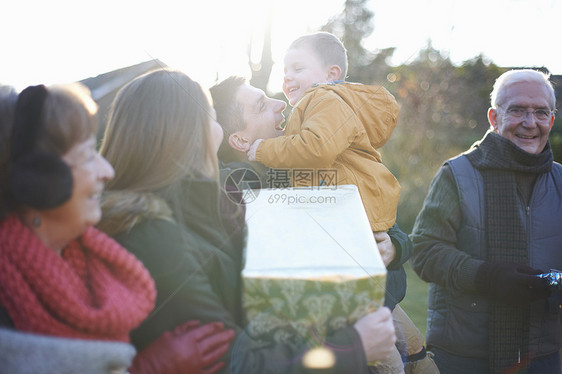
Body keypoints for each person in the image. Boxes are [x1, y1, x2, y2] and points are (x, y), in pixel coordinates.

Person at [98, 67, 397, 374]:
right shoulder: (159, 236)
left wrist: (395, 244)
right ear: (187, 132)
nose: (281, 104)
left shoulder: (197, 209)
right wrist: (352, 347)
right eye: (211, 118)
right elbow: (235, 362)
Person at [211, 76, 438, 374]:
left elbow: (371, 206)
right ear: (240, 140)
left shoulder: (303, 166)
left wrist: (395, 244)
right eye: (262, 105)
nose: (281, 104)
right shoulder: (240, 192)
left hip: (369, 315)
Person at [0, 83, 232, 374]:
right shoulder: (6, 300)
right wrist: (147, 369)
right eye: (87, 156)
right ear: (36, 181)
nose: (107, 171)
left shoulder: (91, 259)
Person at [410, 69, 562, 374]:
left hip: (543, 353)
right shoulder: (457, 174)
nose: (530, 123)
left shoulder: (560, 180)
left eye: (540, 112)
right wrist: (487, 277)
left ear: (552, 120)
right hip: (464, 355)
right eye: (517, 110)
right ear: (494, 117)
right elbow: (424, 253)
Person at [246, 31, 401, 234]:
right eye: (285, 71)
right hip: (343, 210)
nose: (287, 77)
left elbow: (316, 148)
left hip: (350, 212)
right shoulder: (317, 105)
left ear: (331, 75)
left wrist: (263, 149)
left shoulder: (327, 100)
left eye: (298, 68)